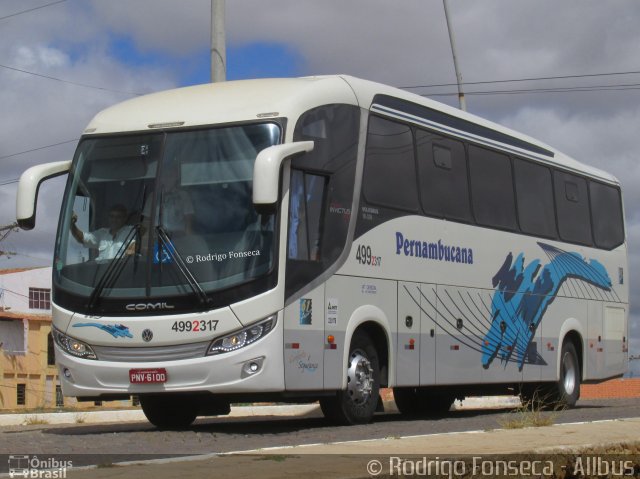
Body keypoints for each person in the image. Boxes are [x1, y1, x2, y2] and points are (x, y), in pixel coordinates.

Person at [70, 204, 135, 261]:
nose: (114, 220)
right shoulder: (102, 233)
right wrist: (72, 224)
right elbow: (82, 239)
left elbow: (131, 251)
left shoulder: (131, 231)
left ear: (125, 218)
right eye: (112, 216)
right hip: (102, 273)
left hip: (119, 273)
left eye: (118, 217)